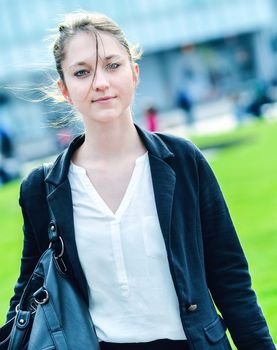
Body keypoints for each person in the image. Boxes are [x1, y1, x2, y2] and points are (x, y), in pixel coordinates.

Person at [5, 11, 275, 350]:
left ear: (134, 73)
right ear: (65, 89)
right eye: (82, 72)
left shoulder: (184, 162)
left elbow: (230, 279)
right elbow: (28, 294)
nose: (100, 82)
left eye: (113, 65)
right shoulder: (43, 189)